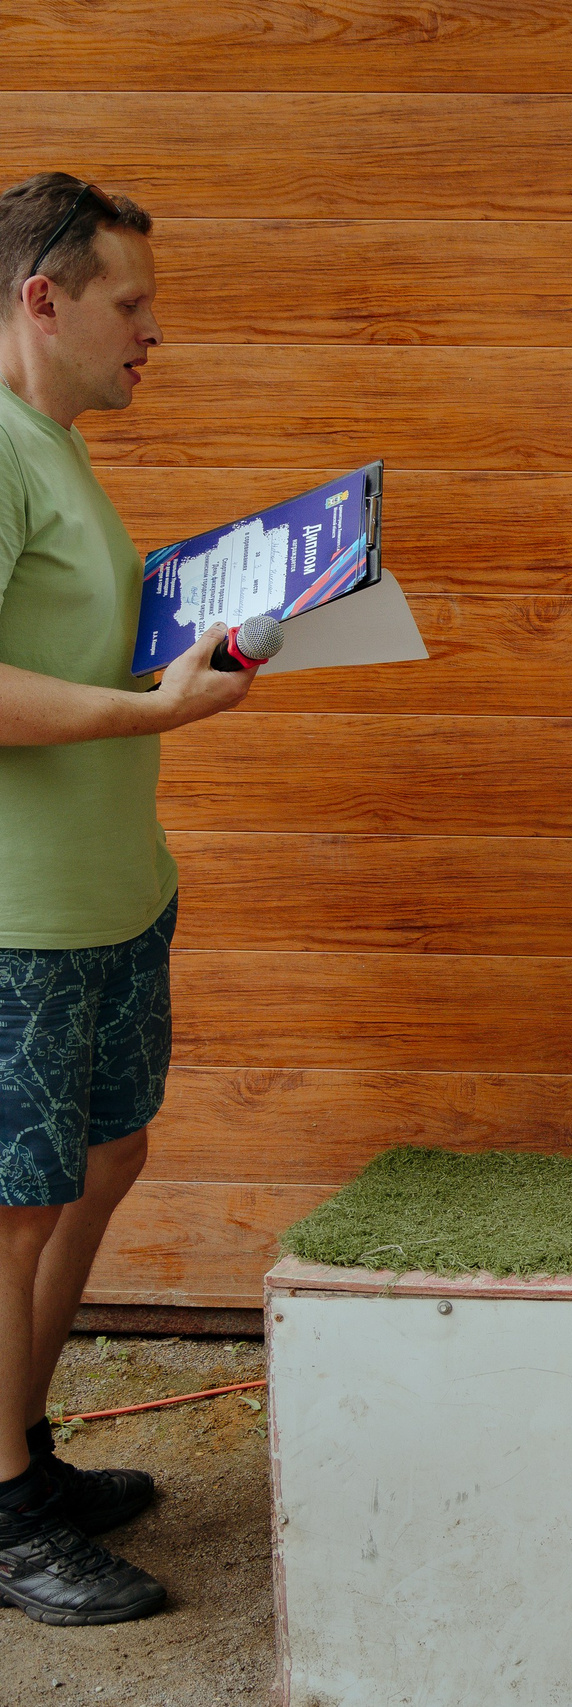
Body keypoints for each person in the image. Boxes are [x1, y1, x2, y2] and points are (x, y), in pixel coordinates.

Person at [1, 173, 258, 1625]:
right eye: (131, 304)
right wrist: (158, 714)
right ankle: (2, 1513)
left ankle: (20, 1453)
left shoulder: (54, 446)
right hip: (18, 915)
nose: (153, 332)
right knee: (12, 1214)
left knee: (103, 1162)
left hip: (111, 895)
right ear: (44, 298)